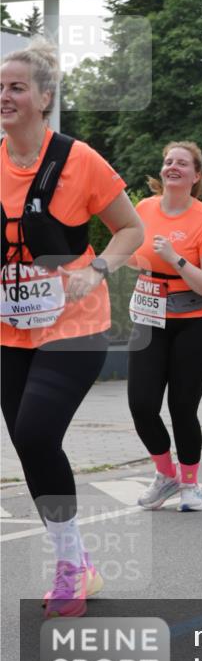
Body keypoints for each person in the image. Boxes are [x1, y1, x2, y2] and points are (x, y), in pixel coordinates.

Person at [0, 39, 143, 618]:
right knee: (31, 446)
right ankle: (77, 560)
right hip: (12, 328)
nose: (4, 97)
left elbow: (130, 230)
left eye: (15, 87)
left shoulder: (79, 161)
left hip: (78, 323)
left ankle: (67, 566)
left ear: (43, 97)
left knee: (35, 432)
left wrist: (100, 269)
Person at [127, 141, 202, 513]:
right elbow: (134, 255)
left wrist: (175, 258)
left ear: (196, 175)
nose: (172, 167)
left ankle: (190, 484)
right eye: (168, 161)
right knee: (141, 404)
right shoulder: (143, 208)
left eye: (182, 163)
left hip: (197, 321)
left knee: (182, 406)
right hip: (150, 316)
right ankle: (165, 473)